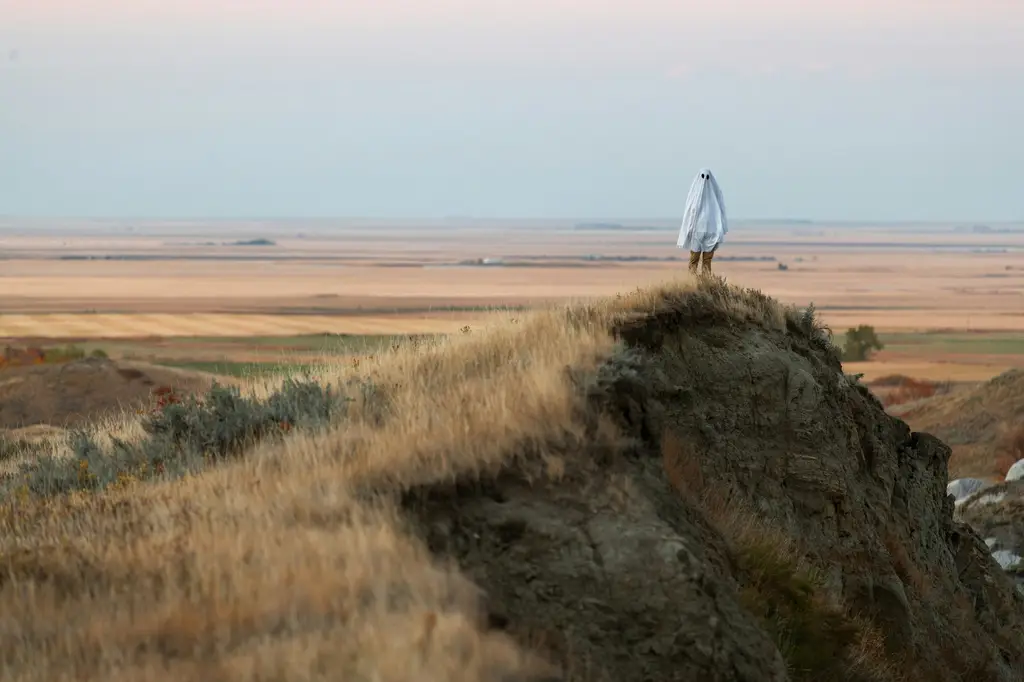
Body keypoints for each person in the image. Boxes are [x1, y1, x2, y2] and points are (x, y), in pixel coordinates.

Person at [677, 168, 728, 276]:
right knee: (694, 259)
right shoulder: (695, 196)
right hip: (697, 232)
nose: (705, 180)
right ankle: (691, 281)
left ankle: (706, 281)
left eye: (707, 177)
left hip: (711, 232)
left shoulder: (715, 196)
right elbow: (689, 213)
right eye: (703, 177)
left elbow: (721, 212)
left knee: (707, 260)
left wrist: (720, 229)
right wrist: (689, 229)